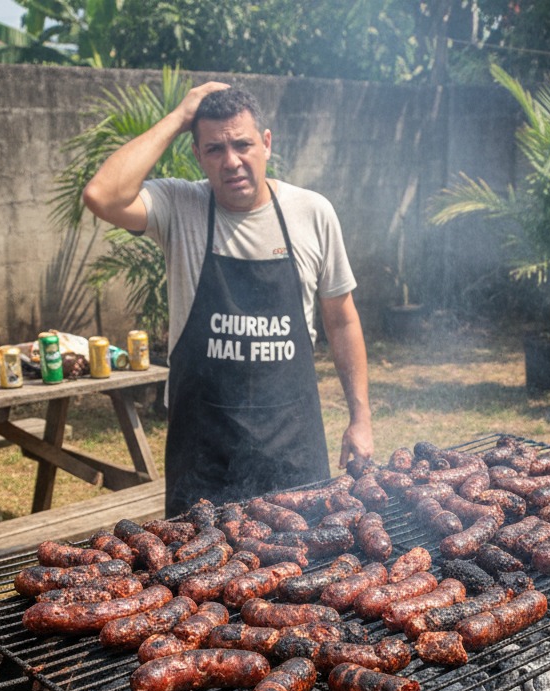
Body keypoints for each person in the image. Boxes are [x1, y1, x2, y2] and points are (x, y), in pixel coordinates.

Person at [82, 81, 373, 516]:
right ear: (197, 155)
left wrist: (360, 419)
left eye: (243, 144)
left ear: (266, 143)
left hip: (293, 449)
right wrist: (180, 117)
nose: (231, 161)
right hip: (203, 453)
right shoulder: (180, 206)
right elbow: (101, 195)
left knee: (304, 556)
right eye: (215, 149)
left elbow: (342, 319)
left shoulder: (311, 212)